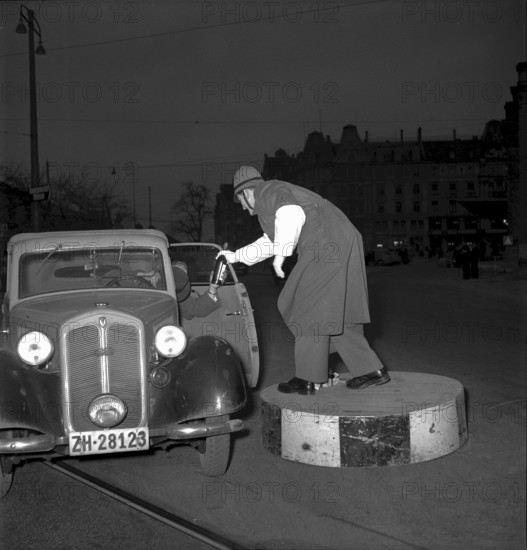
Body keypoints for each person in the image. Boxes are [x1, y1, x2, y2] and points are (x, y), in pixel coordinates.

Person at [218, 166, 390, 395]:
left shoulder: (266, 191)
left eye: (240, 199)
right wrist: (236, 256)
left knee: (305, 305)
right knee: (337, 312)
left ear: (246, 193)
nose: (241, 205)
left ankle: (307, 378)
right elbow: (270, 241)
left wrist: (282, 255)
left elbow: (291, 215)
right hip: (343, 238)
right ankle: (370, 369)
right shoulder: (273, 200)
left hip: (325, 244)